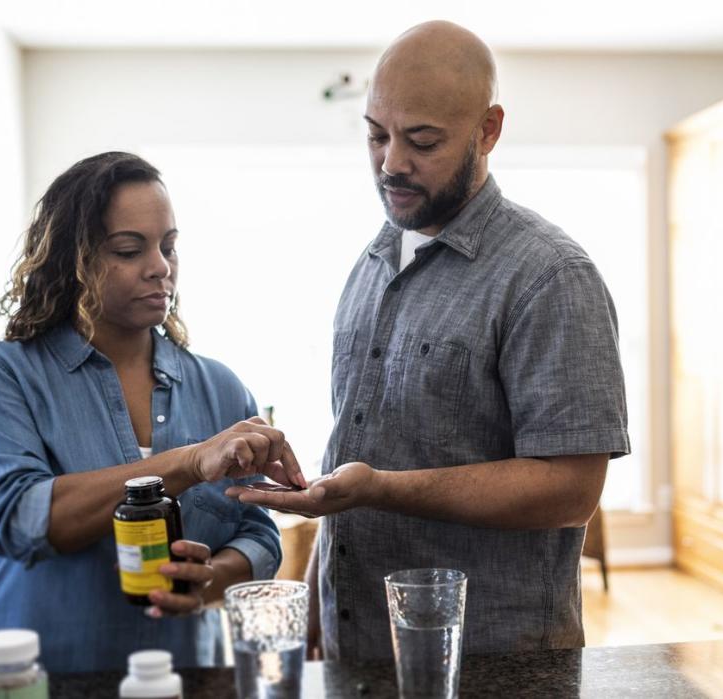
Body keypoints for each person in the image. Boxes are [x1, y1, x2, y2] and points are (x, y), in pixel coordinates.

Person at [229, 21, 629, 661]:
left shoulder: (550, 276)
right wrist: (314, 606)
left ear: (489, 130)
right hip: (352, 651)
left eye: (422, 141)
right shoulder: (372, 263)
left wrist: (381, 487)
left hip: (493, 664)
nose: (391, 162)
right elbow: (353, 446)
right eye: (375, 135)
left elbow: (571, 490)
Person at [0, 151, 306, 673]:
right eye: (129, 249)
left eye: (169, 247)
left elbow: (256, 532)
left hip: (180, 675)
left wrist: (208, 578)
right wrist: (188, 463)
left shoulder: (221, 387)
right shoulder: (2, 373)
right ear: (73, 259)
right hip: (37, 680)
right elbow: (21, 520)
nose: (160, 267)